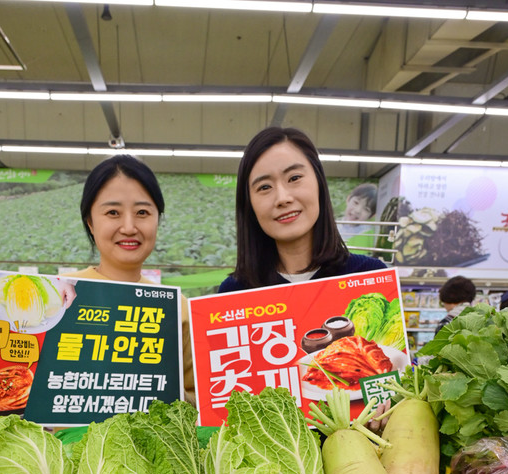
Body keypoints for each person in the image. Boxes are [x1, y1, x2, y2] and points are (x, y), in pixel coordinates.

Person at [69, 154, 194, 402]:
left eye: (143, 212)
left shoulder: (179, 309)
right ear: (90, 223)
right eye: (113, 212)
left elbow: (197, 397)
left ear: (157, 220)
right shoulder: (62, 294)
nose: (128, 227)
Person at [218, 126, 386, 293]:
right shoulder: (234, 291)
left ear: (319, 183)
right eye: (264, 187)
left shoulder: (368, 276)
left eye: (294, 178)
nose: (282, 198)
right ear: (249, 204)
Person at [338, 182, 378, 250]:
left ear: (372, 216)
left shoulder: (369, 234)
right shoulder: (333, 225)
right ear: (348, 199)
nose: (358, 210)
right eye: (356, 202)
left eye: (366, 209)